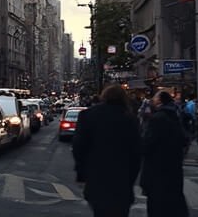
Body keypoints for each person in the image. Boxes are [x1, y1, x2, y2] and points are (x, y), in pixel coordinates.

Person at [71, 84, 141, 217]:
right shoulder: (130, 119)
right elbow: (136, 153)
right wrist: (131, 178)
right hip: (122, 180)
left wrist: (81, 174)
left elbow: (79, 147)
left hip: (97, 178)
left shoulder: (88, 115)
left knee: (100, 211)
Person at [140, 92, 188, 217]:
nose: (153, 100)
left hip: (158, 169)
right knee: (174, 203)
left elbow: (147, 143)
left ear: (160, 101)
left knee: (157, 206)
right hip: (173, 167)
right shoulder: (175, 115)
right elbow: (184, 139)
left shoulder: (157, 118)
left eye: (155, 98)